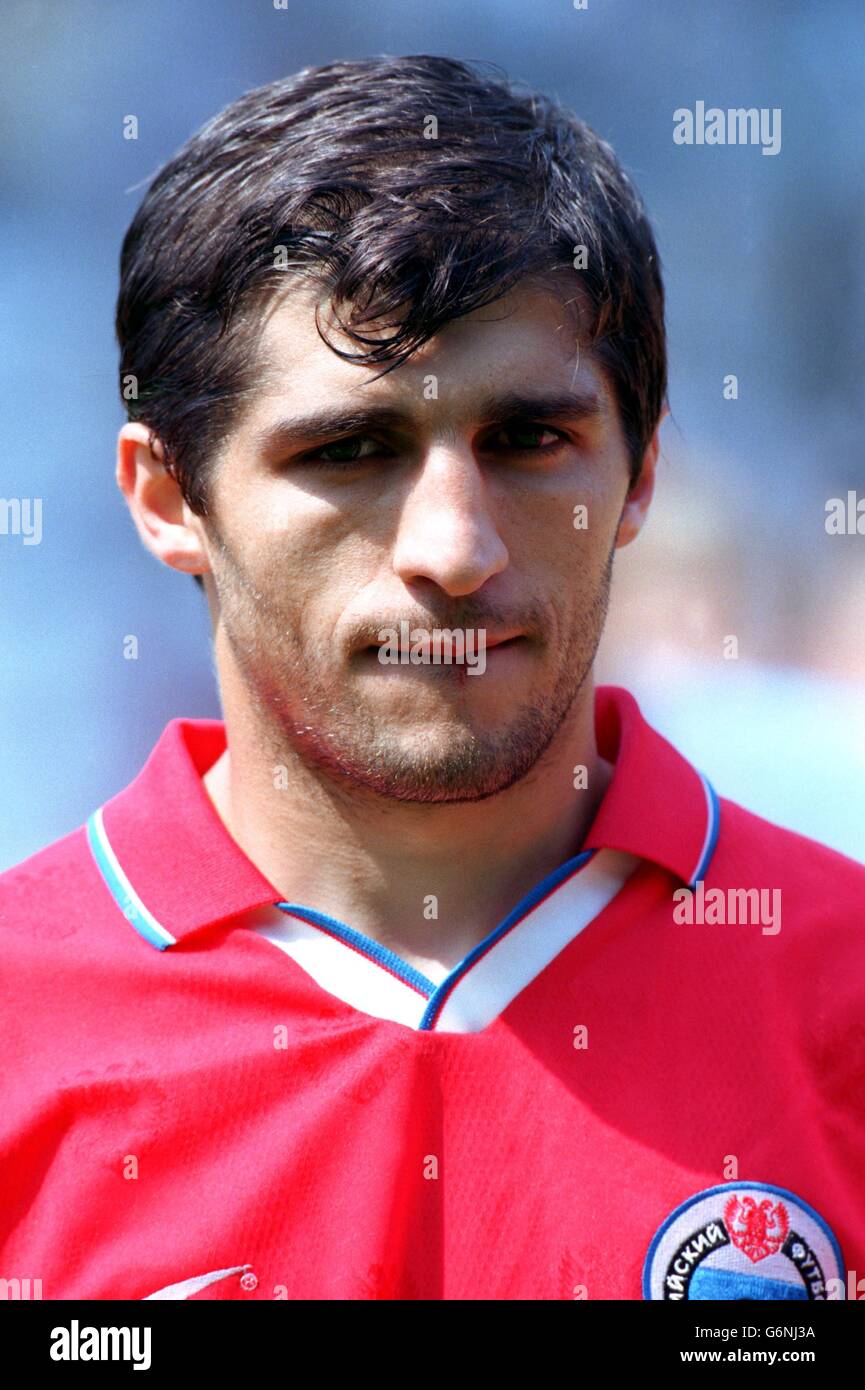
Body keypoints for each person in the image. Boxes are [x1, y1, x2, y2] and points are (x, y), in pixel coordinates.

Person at [1, 55, 862, 1302]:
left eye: (528, 440)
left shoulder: (839, 986)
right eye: (350, 449)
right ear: (168, 498)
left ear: (640, 475)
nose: (455, 551)